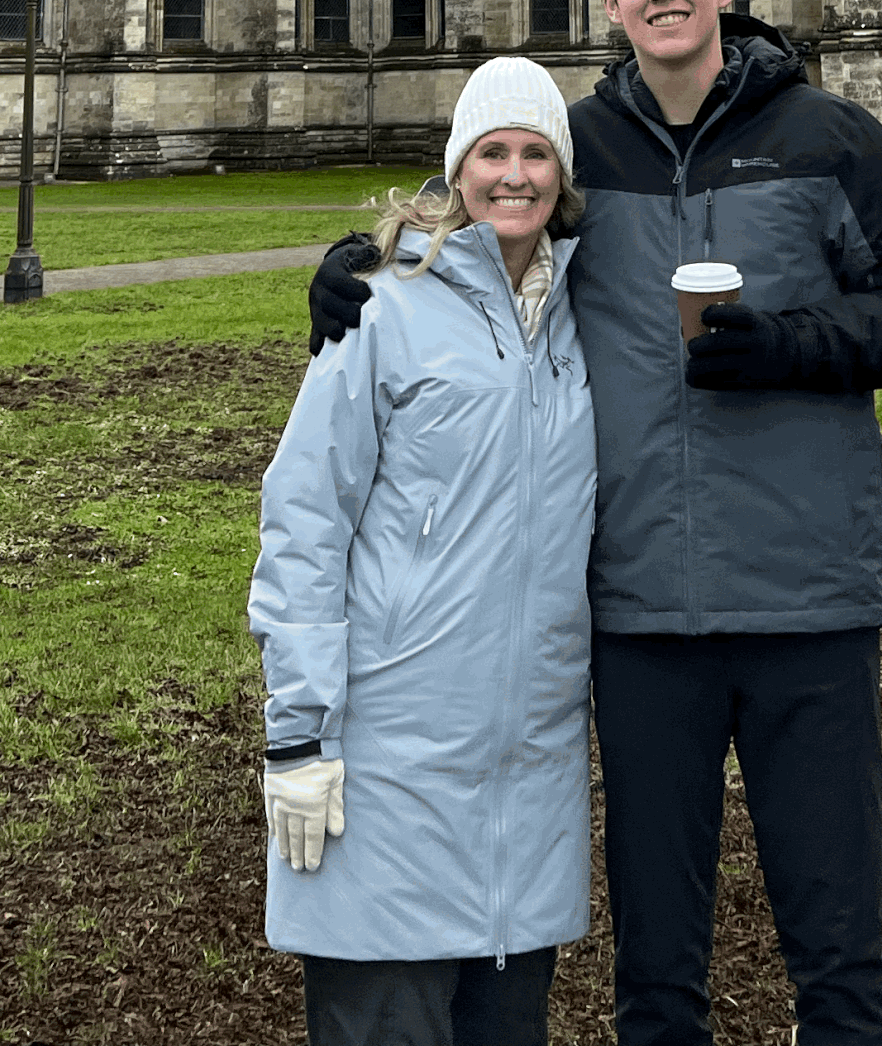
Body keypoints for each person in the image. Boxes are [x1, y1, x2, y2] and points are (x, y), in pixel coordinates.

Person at [309, 0, 882, 1046]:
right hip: (643, 607)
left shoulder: (829, 136)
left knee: (839, 947)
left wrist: (791, 349)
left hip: (808, 592)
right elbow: (469, 213)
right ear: (610, 3)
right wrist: (357, 263)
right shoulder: (581, 151)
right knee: (657, 964)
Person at [253, 55, 597, 1046]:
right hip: (388, 758)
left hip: (525, 777)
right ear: (456, 168)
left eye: (537, 153)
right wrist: (300, 731)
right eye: (491, 152)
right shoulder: (380, 303)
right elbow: (305, 513)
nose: (515, 175)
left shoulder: (591, 312)